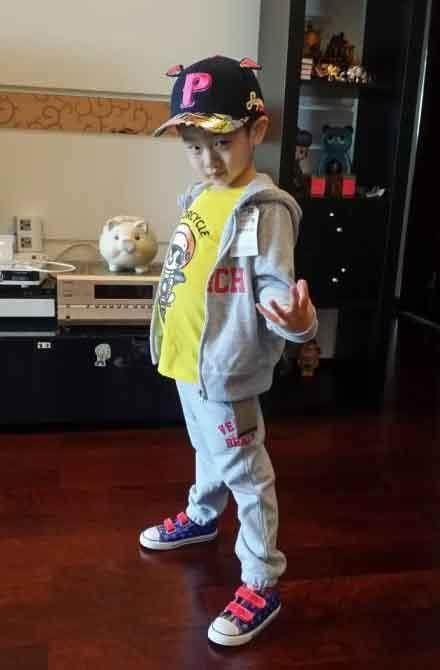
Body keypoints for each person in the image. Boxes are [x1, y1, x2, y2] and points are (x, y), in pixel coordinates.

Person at [139, 55, 318, 647]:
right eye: (194, 146)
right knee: (207, 448)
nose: (209, 159)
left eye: (222, 141)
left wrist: (299, 322)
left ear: (255, 130)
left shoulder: (266, 210)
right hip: (187, 360)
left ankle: (262, 581)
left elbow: (276, 288)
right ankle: (201, 515)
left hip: (226, 368)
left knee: (246, 470)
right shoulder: (200, 194)